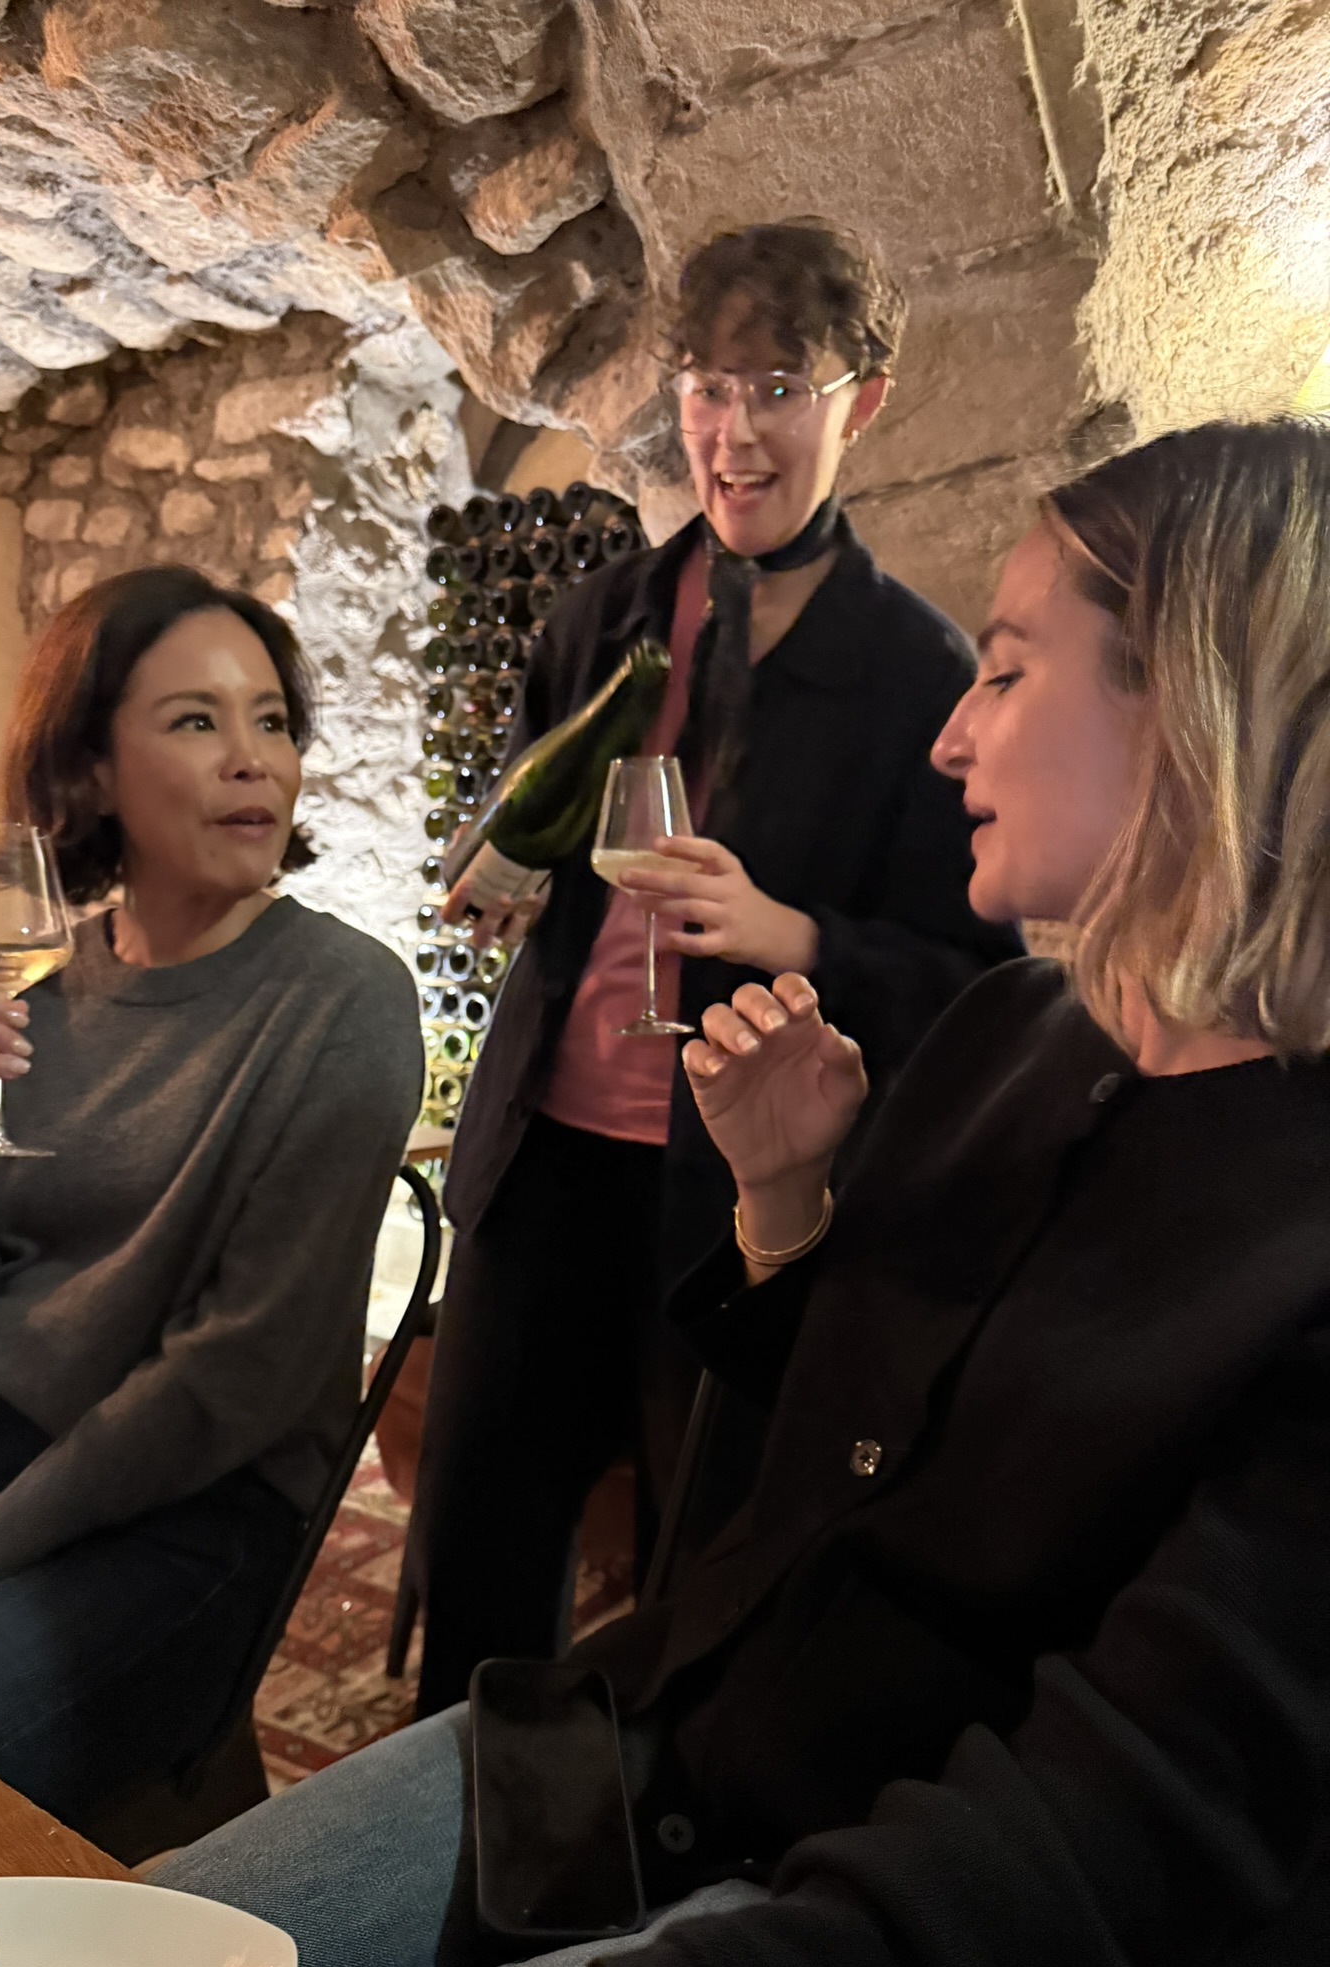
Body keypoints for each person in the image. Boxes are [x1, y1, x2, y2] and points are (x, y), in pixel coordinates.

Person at [161, 416, 1330, 1967]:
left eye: (1004, 672)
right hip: (663, 1749)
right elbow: (796, 1491)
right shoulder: (1009, 1035)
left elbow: (1132, 1827)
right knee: (146, 1961)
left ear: (1198, 707)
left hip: (892, 1918)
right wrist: (783, 1207)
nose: (950, 738)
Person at [411, 218, 1021, 1713]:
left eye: (779, 388)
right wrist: (497, 869)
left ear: (863, 401)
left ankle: (630, 1845)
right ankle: (450, 1830)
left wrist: (793, 936)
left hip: (735, 1203)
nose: (733, 435)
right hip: (542, 1160)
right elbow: (524, 829)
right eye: (706, 387)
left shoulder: (919, 674)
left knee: (697, 1582)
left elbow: (974, 988)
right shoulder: (599, 617)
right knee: (478, 1559)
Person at [0, 567, 423, 1834]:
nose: (253, 758)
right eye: (196, 719)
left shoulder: (342, 999)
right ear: (89, 770)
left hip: (183, 1517)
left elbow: (236, 1377)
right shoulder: (21, 989)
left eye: (272, 720)